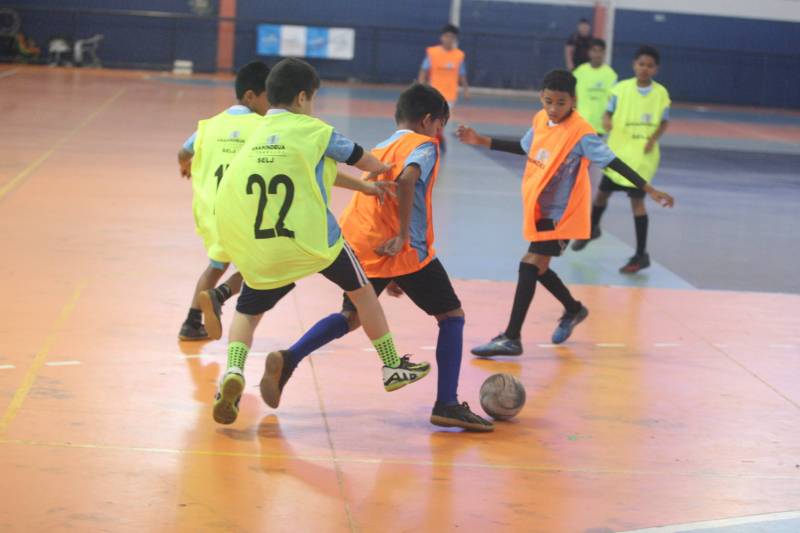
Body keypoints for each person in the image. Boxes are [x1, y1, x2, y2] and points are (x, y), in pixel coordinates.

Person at [259, 83, 494, 432]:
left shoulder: (383, 146)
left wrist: (393, 269)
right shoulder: (424, 145)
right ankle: (446, 403)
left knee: (352, 315)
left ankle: (290, 358)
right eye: (440, 125)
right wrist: (401, 238)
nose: (439, 133)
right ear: (429, 121)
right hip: (400, 245)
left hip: (360, 241)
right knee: (451, 315)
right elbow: (408, 178)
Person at [212, 58, 431, 424]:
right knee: (362, 295)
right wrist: (383, 171)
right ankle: (392, 365)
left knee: (248, 314)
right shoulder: (316, 131)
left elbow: (317, 173)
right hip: (314, 242)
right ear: (302, 98)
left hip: (260, 241)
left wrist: (362, 186)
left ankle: (233, 370)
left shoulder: (255, 133)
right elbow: (367, 161)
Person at [456, 69, 674, 357]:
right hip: (540, 210)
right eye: (548, 101)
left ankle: (512, 337)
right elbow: (526, 148)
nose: (554, 108)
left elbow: (613, 163)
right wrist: (480, 140)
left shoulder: (582, 133)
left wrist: (649, 189)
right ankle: (573, 309)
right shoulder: (540, 120)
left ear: (574, 100)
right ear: (541, 98)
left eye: (561, 102)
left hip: (563, 215)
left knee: (529, 265)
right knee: (539, 269)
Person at [176, 60, 270, 341]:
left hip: (211, 214)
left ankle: (191, 323)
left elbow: (183, 151)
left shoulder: (210, 125)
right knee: (264, 268)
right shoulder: (262, 127)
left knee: (216, 265)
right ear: (252, 96)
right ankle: (222, 296)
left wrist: (185, 165)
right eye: (269, 97)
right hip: (243, 213)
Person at [572, 46, 671, 274]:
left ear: (655, 69)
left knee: (637, 203)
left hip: (641, 157)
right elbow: (609, 112)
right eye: (641, 64)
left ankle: (641, 254)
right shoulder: (620, 89)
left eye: (649, 65)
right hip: (618, 152)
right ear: (634, 65)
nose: (645, 68)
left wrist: (653, 139)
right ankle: (592, 228)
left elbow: (664, 121)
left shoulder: (661, 94)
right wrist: (607, 120)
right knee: (601, 194)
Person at [418, 23, 469, 152]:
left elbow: (462, 74)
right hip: (433, 93)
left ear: (455, 39)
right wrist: (420, 86)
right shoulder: (433, 53)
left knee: (441, 120)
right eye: (446, 36)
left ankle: (437, 140)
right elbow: (424, 70)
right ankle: (434, 140)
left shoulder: (458, 55)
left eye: (452, 37)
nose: (449, 39)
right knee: (429, 119)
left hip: (450, 95)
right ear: (442, 37)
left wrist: (466, 89)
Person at [573, 38, 617, 135]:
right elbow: (572, 97)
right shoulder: (579, 72)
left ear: (604, 53)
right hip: (581, 125)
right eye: (594, 50)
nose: (597, 54)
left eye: (600, 51)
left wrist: (608, 119)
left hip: (601, 127)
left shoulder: (611, 75)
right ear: (589, 52)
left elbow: (613, 101)